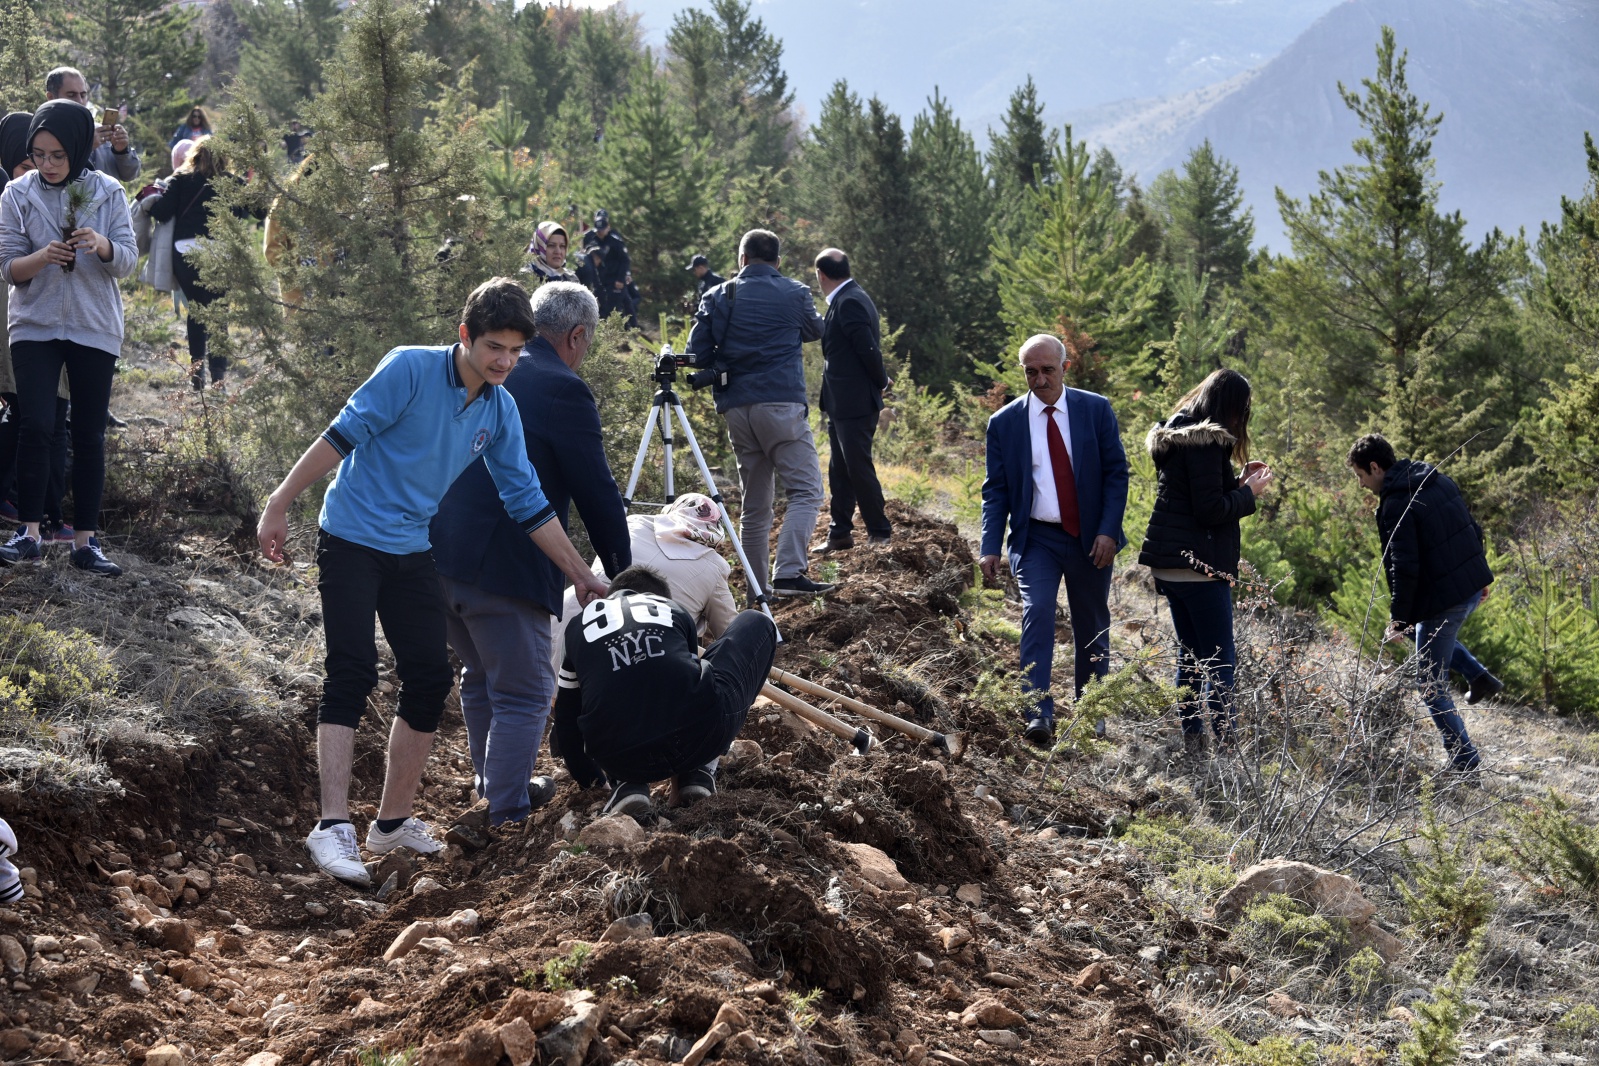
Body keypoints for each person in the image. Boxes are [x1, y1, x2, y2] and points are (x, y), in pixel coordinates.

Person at [255, 277, 609, 886]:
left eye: (515, 352)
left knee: (429, 676)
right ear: (466, 336)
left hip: (413, 547)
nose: (504, 361)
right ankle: (332, 827)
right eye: (494, 347)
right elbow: (341, 436)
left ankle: (391, 823)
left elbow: (528, 500)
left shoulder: (499, 409)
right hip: (351, 537)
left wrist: (580, 574)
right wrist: (280, 502)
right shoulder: (410, 370)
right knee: (352, 670)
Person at [431, 281, 630, 831]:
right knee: (527, 691)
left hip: (439, 554)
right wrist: (624, 570)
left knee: (480, 673)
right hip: (504, 563)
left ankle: (495, 782)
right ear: (577, 335)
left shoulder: (485, 365)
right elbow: (597, 491)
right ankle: (507, 814)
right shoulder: (562, 387)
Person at [0, 102, 137, 575]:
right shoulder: (16, 194)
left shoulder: (108, 190)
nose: (48, 164)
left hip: (94, 325)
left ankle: (85, 543)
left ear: (78, 149)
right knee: (36, 425)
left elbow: (127, 259)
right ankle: (29, 535)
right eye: (38, 154)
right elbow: (8, 267)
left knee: (88, 435)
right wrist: (42, 257)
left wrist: (100, 245)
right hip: (34, 326)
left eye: (58, 154)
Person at [979, 335, 1129, 746]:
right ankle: (1037, 713)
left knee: (1091, 623)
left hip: (1090, 537)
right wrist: (990, 545)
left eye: (1047, 369)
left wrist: (1108, 531)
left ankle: (1092, 711)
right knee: (1038, 611)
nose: (1040, 378)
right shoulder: (1005, 422)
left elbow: (1117, 472)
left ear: (1065, 368)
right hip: (1036, 537)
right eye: (1031, 371)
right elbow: (996, 489)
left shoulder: (1094, 410)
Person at [553, 565, 778, 816]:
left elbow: (566, 719)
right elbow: (686, 688)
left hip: (618, 756)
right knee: (756, 621)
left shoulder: (578, 626)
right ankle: (697, 773)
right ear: (660, 596)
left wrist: (593, 782)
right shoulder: (673, 610)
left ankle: (627, 785)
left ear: (611, 596)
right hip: (698, 737)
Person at [685, 229, 833, 598]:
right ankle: (789, 572)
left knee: (755, 504)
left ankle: (756, 589)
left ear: (742, 259)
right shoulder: (794, 292)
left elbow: (697, 353)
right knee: (807, 491)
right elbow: (816, 329)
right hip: (781, 405)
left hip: (738, 409)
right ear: (778, 262)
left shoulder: (720, 294)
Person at [1138, 369, 1273, 757]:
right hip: (1198, 567)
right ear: (1233, 405)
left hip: (1171, 564)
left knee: (1191, 654)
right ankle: (1227, 747)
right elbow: (1210, 510)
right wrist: (1248, 493)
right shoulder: (1207, 442)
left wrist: (1237, 482)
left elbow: (1197, 495)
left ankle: (1194, 740)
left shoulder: (1181, 435)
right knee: (1219, 661)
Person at [1349, 433, 1493, 773]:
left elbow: (1405, 566)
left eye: (1360, 476)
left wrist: (1398, 619)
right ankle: (1479, 676)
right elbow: (1473, 530)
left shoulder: (1397, 504)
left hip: (1448, 598)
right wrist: (1481, 577)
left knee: (1429, 685)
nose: (1360, 485)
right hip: (1465, 588)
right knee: (1427, 638)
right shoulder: (1437, 480)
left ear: (1375, 467)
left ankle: (1465, 763)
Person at [554, 492, 740, 672]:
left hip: (568, 617)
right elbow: (731, 632)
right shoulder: (715, 567)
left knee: (542, 697)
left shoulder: (632, 523)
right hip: (633, 648)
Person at [813, 248, 891, 552]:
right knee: (840, 469)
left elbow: (868, 349)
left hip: (855, 403)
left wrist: (881, 380)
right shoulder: (849, 298)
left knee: (857, 467)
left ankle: (880, 532)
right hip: (842, 402)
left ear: (821, 275)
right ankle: (840, 533)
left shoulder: (850, 302)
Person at [148, 138, 238, 389]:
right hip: (221, 254)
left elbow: (160, 213)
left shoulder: (181, 180)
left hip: (185, 252)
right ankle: (219, 378)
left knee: (197, 311)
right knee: (219, 314)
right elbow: (257, 211)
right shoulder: (231, 182)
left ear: (195, 155)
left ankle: (197, 375)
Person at [44, 68, 140, 183]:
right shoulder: (43, 136)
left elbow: (130, 175)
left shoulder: (100, 131)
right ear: (51, 97)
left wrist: (122, 151)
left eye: (83, 95)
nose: (79, 101)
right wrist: (86, 148)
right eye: (71, 95)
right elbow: (50, 180)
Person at [582, 209, 632, 322]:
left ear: (608, 226)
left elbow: (625, 260)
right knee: (600, 305)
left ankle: (625, 329)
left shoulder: (615, 240)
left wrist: (621, 278)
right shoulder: (590, 236)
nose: (600, 232)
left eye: (603, 229)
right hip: (597, 277)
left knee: (618, 306)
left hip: (614, 278)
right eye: (598, 230)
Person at [525, 220, 577, 285]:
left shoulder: (571, 280)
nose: (558, 251)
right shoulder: (524, 279)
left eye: (562, 246)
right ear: (539, 247)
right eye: (551, 245)